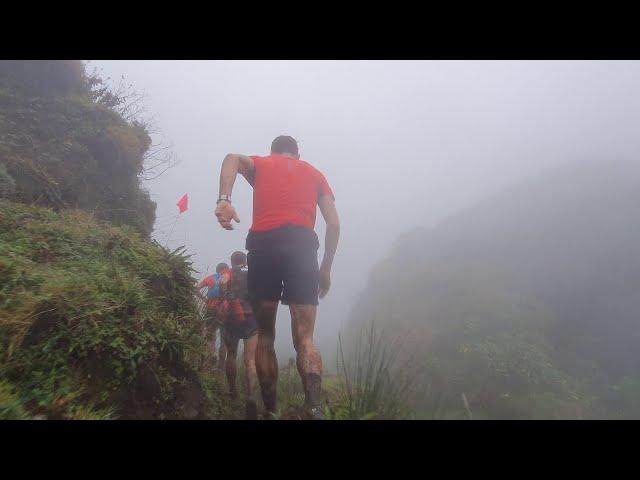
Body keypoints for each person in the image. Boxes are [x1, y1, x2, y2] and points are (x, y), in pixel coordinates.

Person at [214, 135, 340, 419]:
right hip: (302, 245)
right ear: (297, 154)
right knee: (305, 338)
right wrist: (325, 269)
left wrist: (224, 199)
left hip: (263, 244)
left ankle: (270, 410)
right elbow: (333, 223)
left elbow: (231, 158)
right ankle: (314, 407)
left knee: (267, 337)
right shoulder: (315, 174)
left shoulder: (261, 164)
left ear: (274, 152)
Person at [219, 250, 259, 420]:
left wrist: (225, 296)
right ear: (245, 261)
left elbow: (223, 281)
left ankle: (233, 391)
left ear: (232, 261)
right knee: (250, 360)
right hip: (251, 318)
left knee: (231, 355)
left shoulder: (229, 271)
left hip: (232, 317)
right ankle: (251, 396)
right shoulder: (252, 274)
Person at [197, 262, 230, 371]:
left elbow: (196, 288)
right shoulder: (229, 277)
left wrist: (204, 300)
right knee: (224, 340)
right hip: (225, 311)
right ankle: (220, 368)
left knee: (210, 336)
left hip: (211, 310)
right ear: (226, 269)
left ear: (217, 270)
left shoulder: (211, 278)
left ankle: (209, 363)